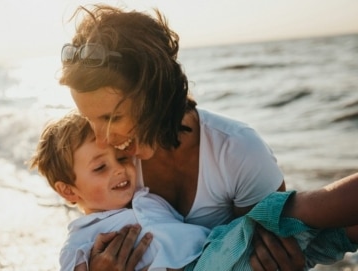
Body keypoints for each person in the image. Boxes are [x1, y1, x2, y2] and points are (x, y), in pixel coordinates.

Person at [58, 4, 307, 270]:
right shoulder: (114, 167)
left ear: (156, 96)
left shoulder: (238, 151)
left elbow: (272, 248)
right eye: (88, 118)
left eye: (111, 118)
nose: (101, 139)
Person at [29, 111, 358, 271]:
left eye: (120, 157)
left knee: (332, 234)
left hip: (219, 250)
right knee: (296, 212)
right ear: (68, 191)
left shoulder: (146, 197)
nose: (119, 169)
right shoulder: (82, 238)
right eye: (100, 168)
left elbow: (198, 230)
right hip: (204, 265)